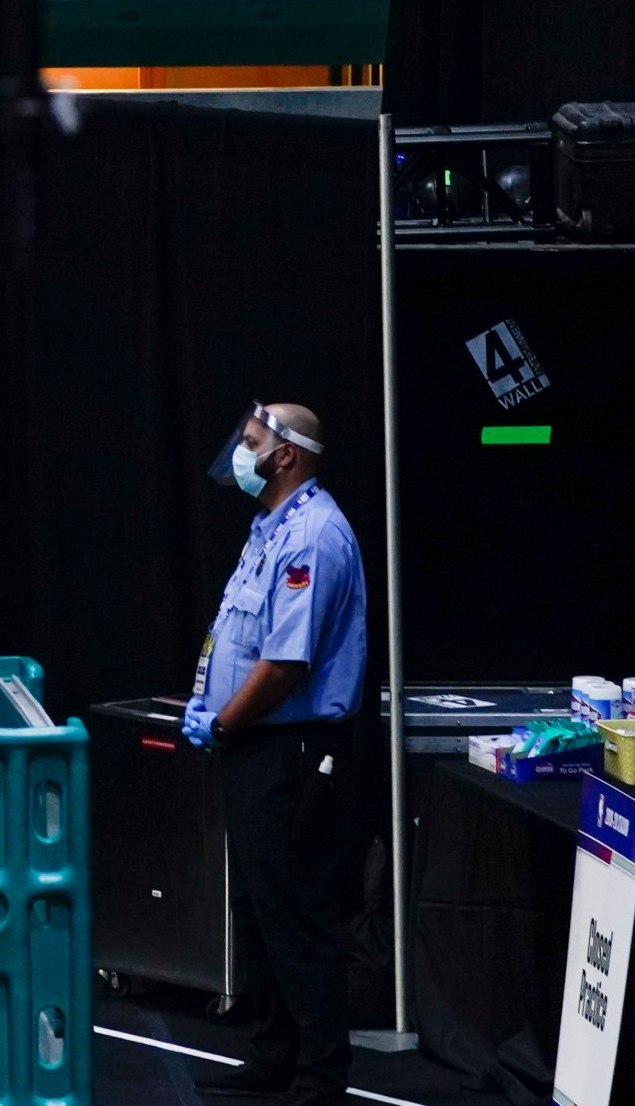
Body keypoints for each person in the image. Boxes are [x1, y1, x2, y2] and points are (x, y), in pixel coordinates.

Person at [182, 402, 369, 1106]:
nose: (242, 450)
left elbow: (286, 665)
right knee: (260, 911)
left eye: (253, 441)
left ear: (286, 455)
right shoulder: (269, 527)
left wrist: (224, 724)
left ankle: (320, 1076)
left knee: (296, 914)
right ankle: (273, 1054)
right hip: (254, 744)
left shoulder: (316, 537)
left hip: (288, 748)